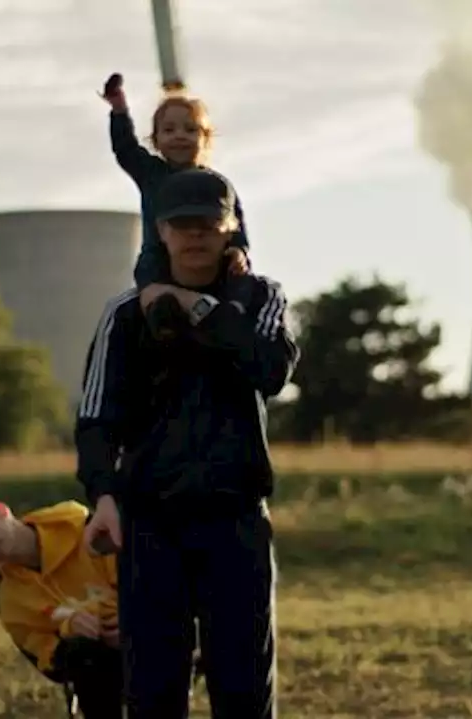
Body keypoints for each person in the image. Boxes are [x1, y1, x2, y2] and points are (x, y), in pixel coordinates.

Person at [74, 167, 298, 719]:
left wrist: (200, 310)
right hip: (150, 523)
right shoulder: (124, 315)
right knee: (153, 690)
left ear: (230, 229)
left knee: (243, 688)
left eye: (208, 223)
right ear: (162, 232)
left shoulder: (263, 297)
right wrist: (102, 494)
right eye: (182, 225)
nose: (195, 235)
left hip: (235, 518)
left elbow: (271, 370)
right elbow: (96, 418)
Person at [0, 494, 122, 719]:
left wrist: (129, 620)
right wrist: (70, 629)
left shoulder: (85, 531)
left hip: (150, 633)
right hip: (99, 666)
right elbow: (48, 660)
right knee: (83, 654)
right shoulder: (10, 597)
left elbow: (147, 582)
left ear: (1, 510)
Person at [100, 72, 251, 292]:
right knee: (152, 290)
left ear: (205, 139)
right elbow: (125, 148)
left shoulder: (216, 185)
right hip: (159, 264)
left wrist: (239, 250)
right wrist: (119, 111)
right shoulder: (151, 173)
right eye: (169, 130)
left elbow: (233, 220)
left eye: (190, 130)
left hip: (207, 267)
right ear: (155, 140)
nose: (179, 136)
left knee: (237, 285)